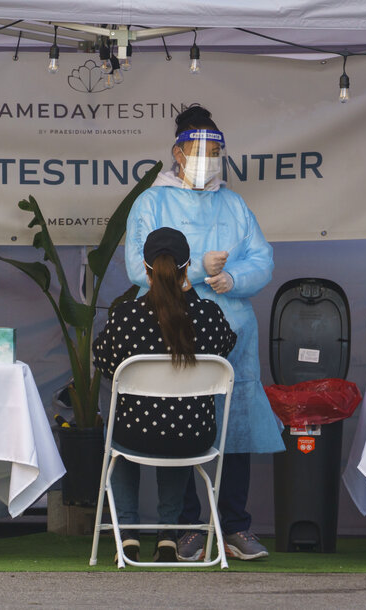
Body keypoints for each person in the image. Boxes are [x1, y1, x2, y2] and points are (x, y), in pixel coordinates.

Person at [124, 105, 283, 561]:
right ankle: (191, 527)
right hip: (174, 329)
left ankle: (234, 525)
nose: (207, 159)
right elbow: (139, 267)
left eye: (215, 151)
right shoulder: (152, 203)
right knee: (184, 425)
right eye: (199, 151)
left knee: (235, 427)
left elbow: (262, 259)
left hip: (234, 334)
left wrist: (232, 279)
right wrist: (193, 272)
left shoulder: (233, 204)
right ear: (177, 152)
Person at [93, 227, 236, 563]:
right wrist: (192, 298)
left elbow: (103, 360)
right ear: (187, 270)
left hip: (134, 435)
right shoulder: (208, 316)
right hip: (194, 437)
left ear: (146, 271)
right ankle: (168, 536)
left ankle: (126, 536)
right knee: (177, 416)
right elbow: (227, 346)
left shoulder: (126, 317)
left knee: (118, 411)